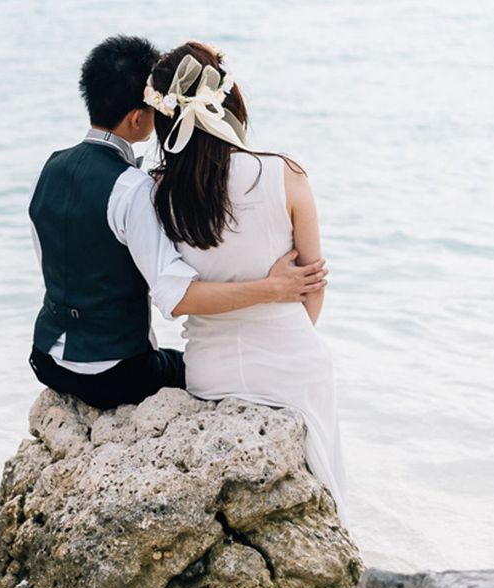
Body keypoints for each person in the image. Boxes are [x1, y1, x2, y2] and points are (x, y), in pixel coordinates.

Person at [27, 35, 328, 411]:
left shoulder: (52, 167)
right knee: (187, 368)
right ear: (139, 118)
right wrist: (273, 288)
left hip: (45, 359)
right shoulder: (133, 188)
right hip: (111, 373)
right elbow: (175, 294)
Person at [144, 41, 349, 526]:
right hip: (294, 366)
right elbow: (312, 282)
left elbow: (173, 297)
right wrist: (282, 317)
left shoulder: (158, 192)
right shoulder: (285, 174)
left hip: (208, 374)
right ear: (231, 103)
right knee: (326, 496)